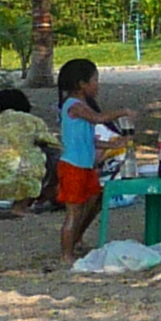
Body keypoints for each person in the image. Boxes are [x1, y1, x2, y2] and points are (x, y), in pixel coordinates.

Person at [55, 58, 135, 261]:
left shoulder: (79, 106)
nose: (97, 85)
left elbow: (87, 141)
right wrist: (123, 112)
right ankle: (67, 253)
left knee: (94, 202)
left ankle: (77, 239)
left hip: (86, 165)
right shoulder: (74, 106)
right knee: (73, 212)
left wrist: (113, 145)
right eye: (94, 80)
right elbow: (99, 119)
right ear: (82, 84)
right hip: (73, 166)